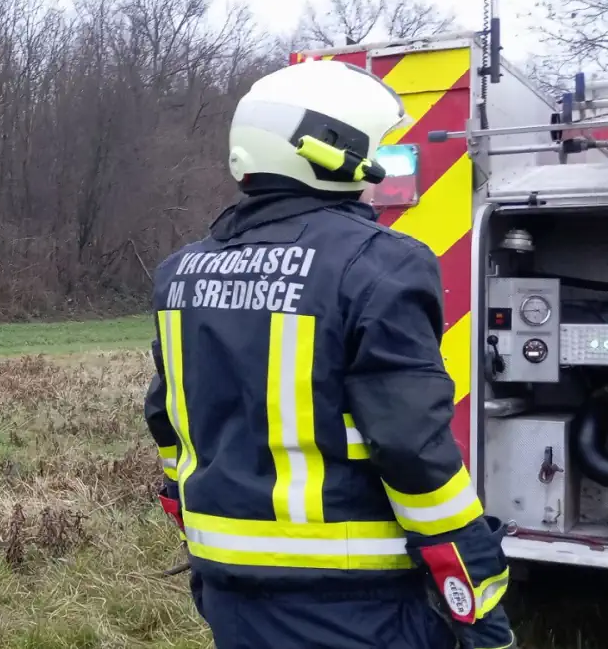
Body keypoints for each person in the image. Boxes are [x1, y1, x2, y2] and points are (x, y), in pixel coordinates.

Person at [143, 59, 516, 649]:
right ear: (334, 154)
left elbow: (168, 423)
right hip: (354, 603)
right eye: (375, 153)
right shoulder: (380, 265)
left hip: (227, 591)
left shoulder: (179, 273)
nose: (379, 173)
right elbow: (413, 452)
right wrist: (477, 594)